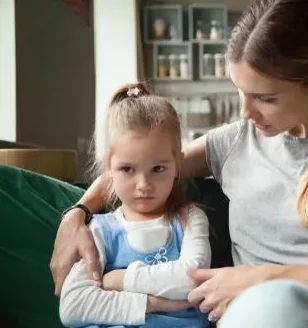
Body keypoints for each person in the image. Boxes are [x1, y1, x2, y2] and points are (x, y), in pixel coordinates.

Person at [51, 0, 308, 327]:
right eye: (240, 91)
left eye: (265, 98)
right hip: (250, 319)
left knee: (275, 304)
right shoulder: (232, 143)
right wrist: (76, 215)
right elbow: (141, 167)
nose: (246, 112)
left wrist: (262, 280)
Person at [58, 83, 211, 328]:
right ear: (108, 166)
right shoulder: (99, 229)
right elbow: (73, 306)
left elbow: (193, 279)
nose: (143, 185)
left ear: (178, 166)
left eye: (158, 169)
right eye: (127, 169)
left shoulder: (189, 218)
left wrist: (118, 280)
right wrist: (151, 303)